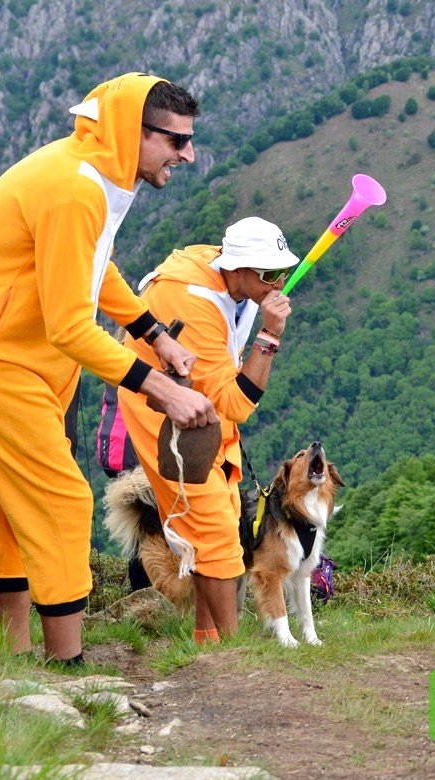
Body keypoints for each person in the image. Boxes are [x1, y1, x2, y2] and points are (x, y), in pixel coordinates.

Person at [0, 73, 217, 665]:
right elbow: (69, 326)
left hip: (20, 356)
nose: (188, 154)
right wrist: (161, 390)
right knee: (62, 501)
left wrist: (153, 333)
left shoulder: (91, 174)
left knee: (6, 509)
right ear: (133, 131)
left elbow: (92, 264)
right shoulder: (74, 190)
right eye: (176, 140)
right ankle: (68, 666)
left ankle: (14, 658)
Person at [117, 217, 297, 645]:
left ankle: (207, 637)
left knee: (224, 516)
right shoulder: (194, 301)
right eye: (270, 273)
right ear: (238, 267)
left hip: (203, 409)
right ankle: (231, 653)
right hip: (168, 418)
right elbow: (236, 404)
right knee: (216, 532)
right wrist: (270, 335)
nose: (279, 282)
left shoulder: (227, 278)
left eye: (283, 271)